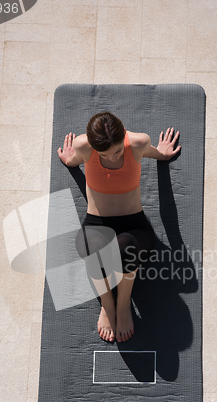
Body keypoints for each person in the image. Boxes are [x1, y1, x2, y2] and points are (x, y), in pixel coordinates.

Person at [57, 112, 181, 343]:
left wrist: (162, 154)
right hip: (97, 222)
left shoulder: (137, 142)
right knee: (93, 250)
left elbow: (154, 153)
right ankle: (107, 305)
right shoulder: (83, 146)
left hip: (134, 226)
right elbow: (74, 160)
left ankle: (123, 306)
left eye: (117, 152)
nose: (113, 158)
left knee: (125, 253)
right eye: (105, 155)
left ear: (123, 136)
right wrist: (68, 159)